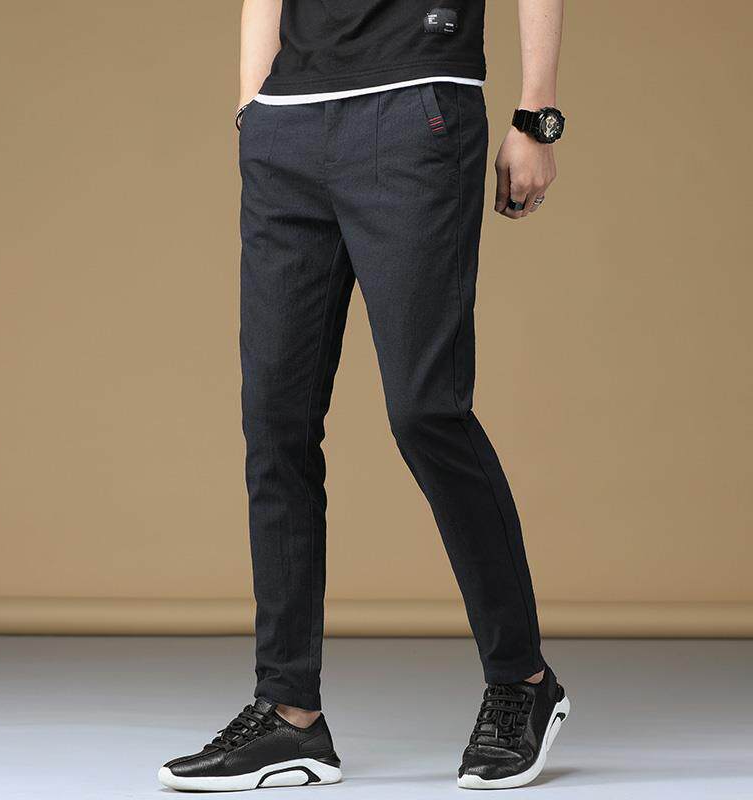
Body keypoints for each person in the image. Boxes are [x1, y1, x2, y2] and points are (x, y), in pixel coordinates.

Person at [159, 0, 569, 791]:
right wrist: (254, 107)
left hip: (417, 113)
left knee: (426, 410)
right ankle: (289, 714)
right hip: (288, 125)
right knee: (274, 421)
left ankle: (522, 680)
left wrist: (536, 115)